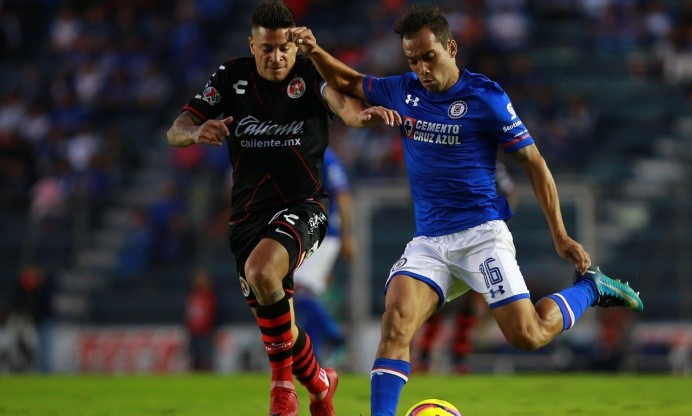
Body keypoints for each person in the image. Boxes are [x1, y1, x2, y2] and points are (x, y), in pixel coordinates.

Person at [288, 6, 644, 415]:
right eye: (412, 60)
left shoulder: (485, 97)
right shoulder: (403, 90)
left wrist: (560, 235)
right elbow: (348, 81)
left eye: (428, 57)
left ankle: (592, 289)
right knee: (397, 321)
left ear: (451, 48)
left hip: (481, 235)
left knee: (526, 333)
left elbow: (534, 163)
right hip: (430, 241)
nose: (421, 68)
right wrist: (314, 51)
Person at [166, 1, 399, 415]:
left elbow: (344, 107)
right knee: (283, 328)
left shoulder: (309, 75)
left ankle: (282, 391)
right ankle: (321, 382)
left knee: (263, 271)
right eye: (266, 48)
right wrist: (197, 130)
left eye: (283, 48)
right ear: (251, 45)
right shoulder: (230, 77)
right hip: (247, 218)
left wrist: (366, 117)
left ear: (295, 45)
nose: (276, 57)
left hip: (303, 206)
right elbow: (176, 130)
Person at [414, 160, 517, 374]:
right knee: (435, 297)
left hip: (477, 240)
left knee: (470, 302)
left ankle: (459, 358)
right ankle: (424, 355)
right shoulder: (443, 157)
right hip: (442, 236)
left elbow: (510, 193)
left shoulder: (494, 166)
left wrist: (496, 222)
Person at [293, 146, 354, 365]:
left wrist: (348, 236)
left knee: (298, 291)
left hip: (326, 232)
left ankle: (334, 334)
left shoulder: (326, 156)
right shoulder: (293, 151)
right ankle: (312, 360)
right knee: (302, 295)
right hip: (302, 233)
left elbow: (343, 195)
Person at [184, 268, 218, 372]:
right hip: (193, 332)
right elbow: (188, 313)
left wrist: (213, 328)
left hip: (206, 333)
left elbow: (215, 313)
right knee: (194, 359)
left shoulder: (210, 295)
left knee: (207, 359)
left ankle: (209, 379)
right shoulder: (192, 294)